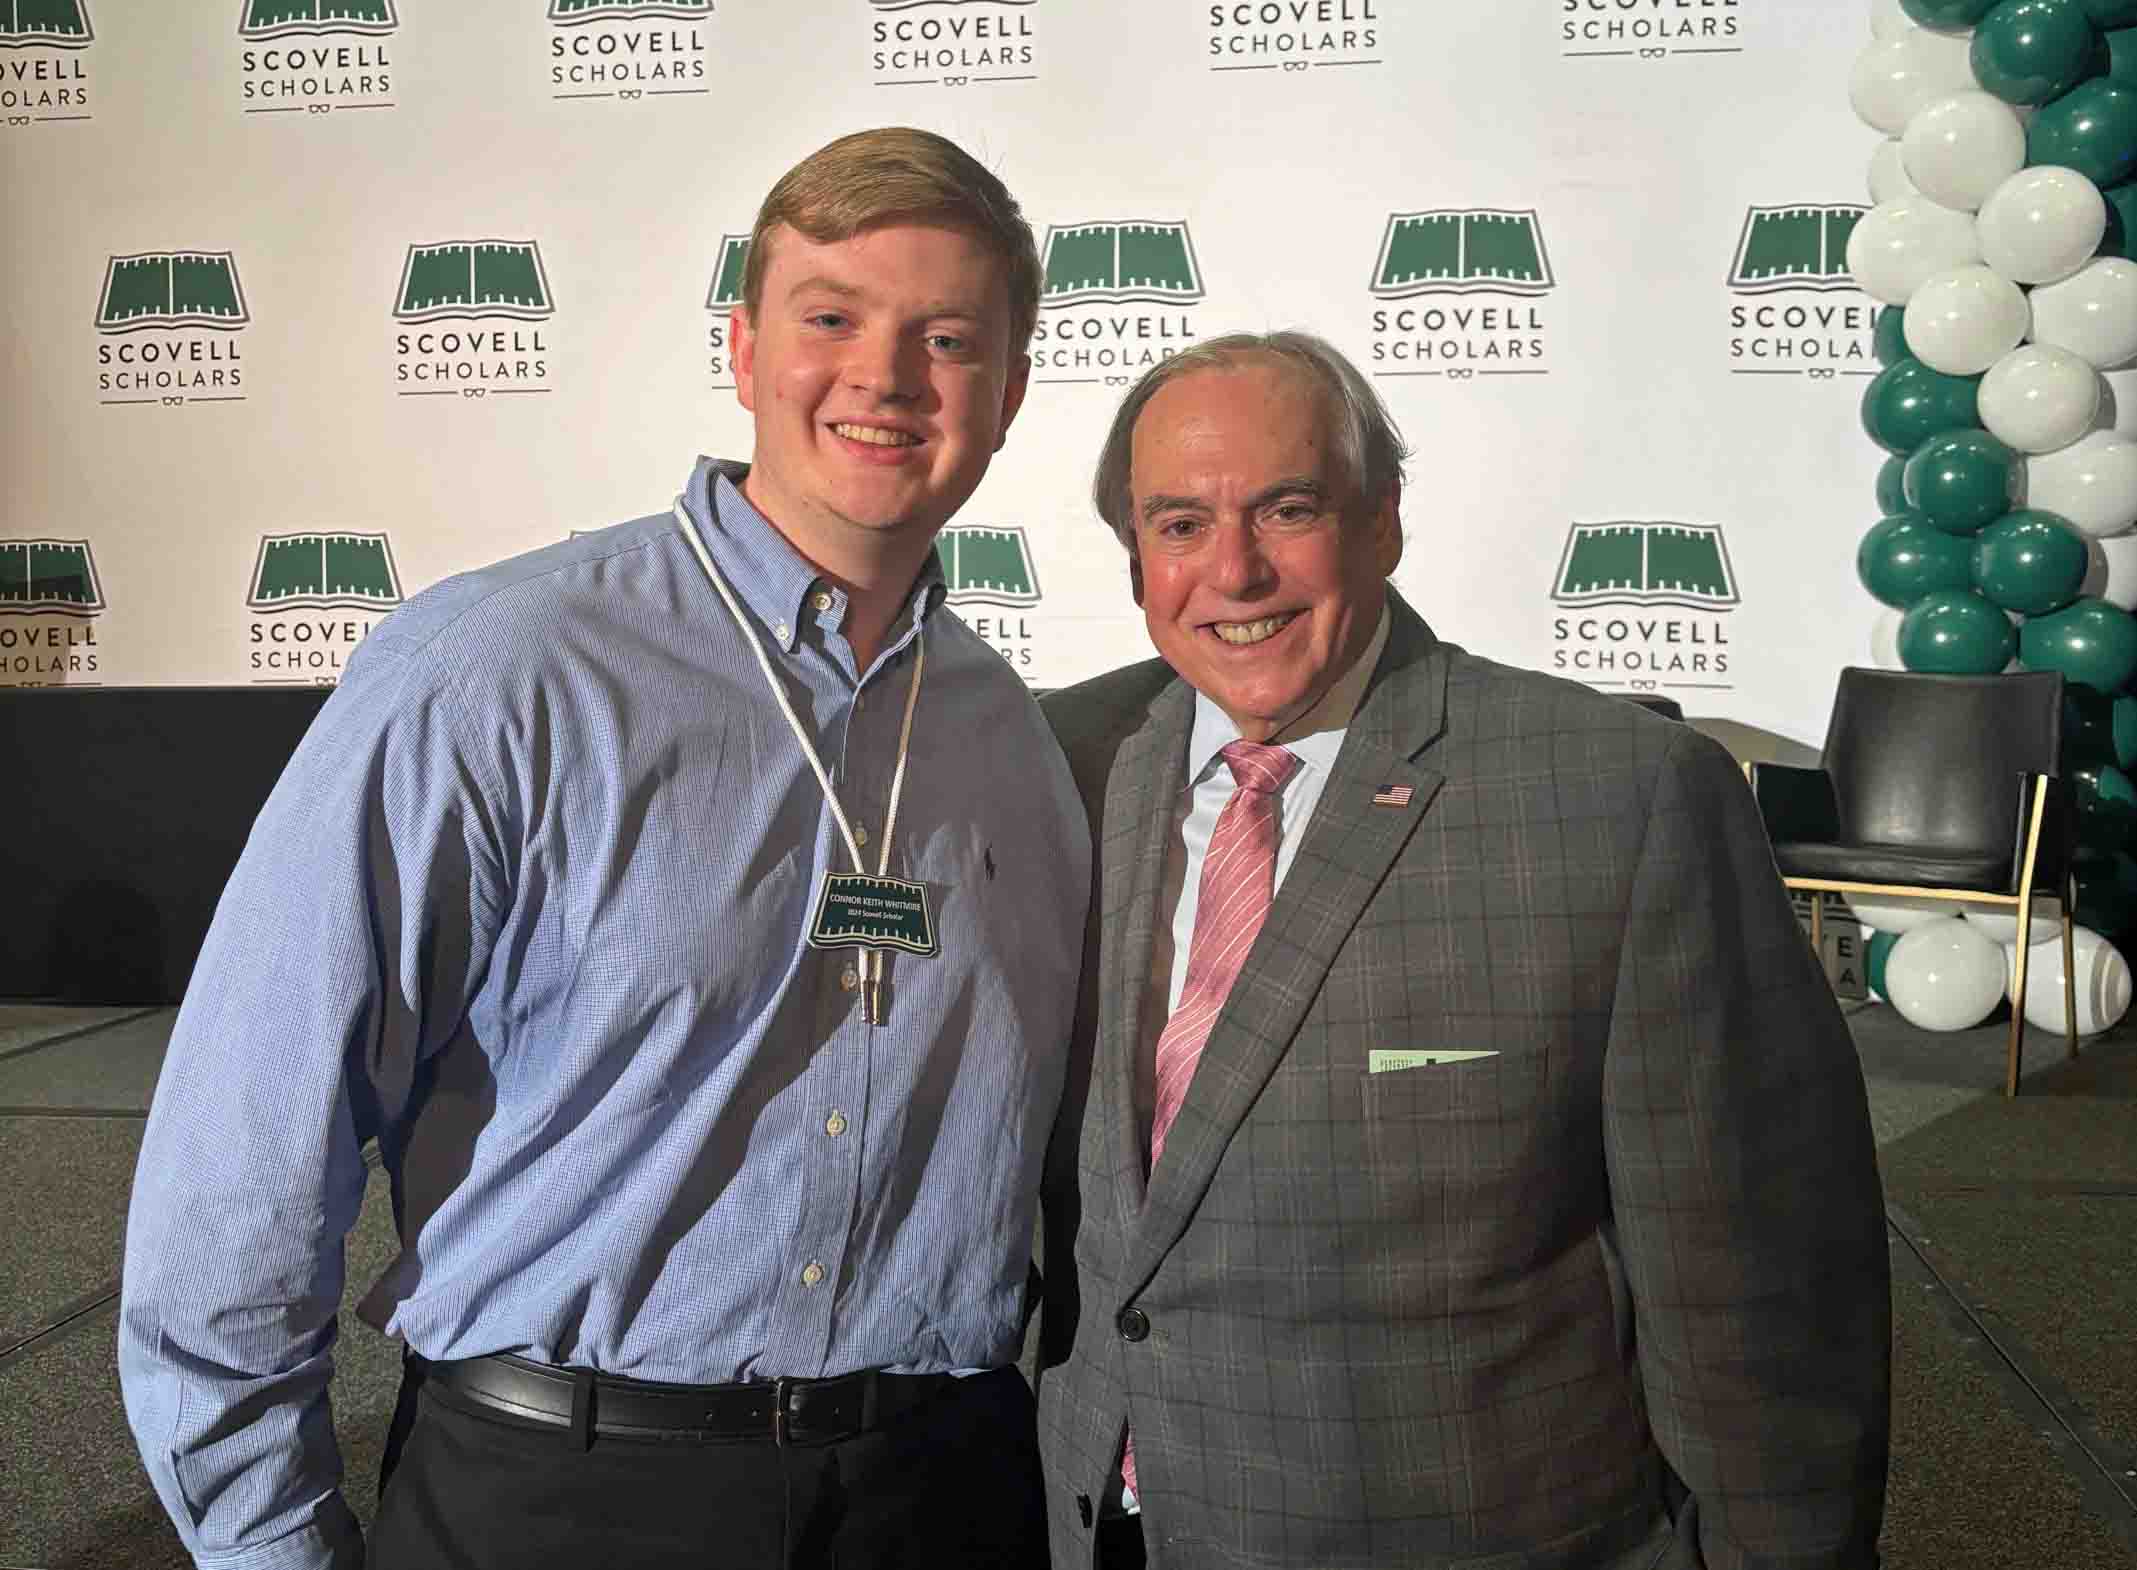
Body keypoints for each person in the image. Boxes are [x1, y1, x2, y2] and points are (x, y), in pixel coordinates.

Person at [118, 127, 1088, 1570]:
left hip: (937, 1496)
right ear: (744, 348)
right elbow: (246, 1153)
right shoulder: (498, 674)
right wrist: (264, 1543)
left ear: (1007, 392)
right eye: (831, 318)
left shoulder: (1012, 738)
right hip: (562, 1498)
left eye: (947, 338)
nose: (886, 377)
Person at [1029, 331, 1891, 1570]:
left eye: (1287, 508)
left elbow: (1756, 1278)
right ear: (1134, 558)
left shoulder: (1622, 796)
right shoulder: (1062, 762)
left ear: (1383, 519)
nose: (1233, 568)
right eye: (1179, 524)